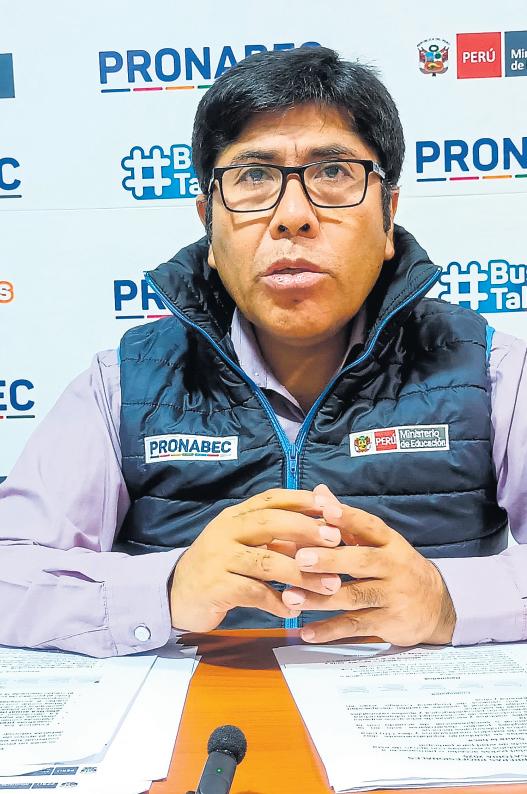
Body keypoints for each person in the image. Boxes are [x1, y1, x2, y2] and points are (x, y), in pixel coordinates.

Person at [1, 47, 526, 658]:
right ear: (209, 223)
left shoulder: (489, 370)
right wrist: (165, 590)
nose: (293, 217)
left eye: (334, 172)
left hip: (424, 711)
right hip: (199, 710)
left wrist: (447, 600)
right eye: (253, 177)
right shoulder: (122, 383)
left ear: (388, 215)